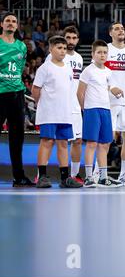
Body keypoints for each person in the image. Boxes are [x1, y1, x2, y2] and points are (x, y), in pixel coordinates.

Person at [31, 36, 83, 188]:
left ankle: (65, 178)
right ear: (50, 49)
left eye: (64, 48)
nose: (62, 51)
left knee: (63, 144)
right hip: (49, 112)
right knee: (47, 142)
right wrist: (42, 105)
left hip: (65, 112)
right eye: (59, 48)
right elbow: (35, 90)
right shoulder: (45, 68)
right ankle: (42, 176)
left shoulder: (68, 68)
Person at [77, 40, 122, 188]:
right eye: (99, 52)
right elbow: (80, 93)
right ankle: (89, 177)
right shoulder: (88, 71)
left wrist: (114, 90)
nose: (102, 55)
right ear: (93, 54)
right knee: (91, 144)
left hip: (106, 110)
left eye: (104, 52)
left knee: (104, 144)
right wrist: (86, 110)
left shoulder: (109, 71)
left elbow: (110, 87)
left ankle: (103, 177)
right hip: (92, 110)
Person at [45, 26, 84, 183]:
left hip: (74, 105)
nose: (71, 41)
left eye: (74, 38)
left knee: (78, 140)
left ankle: (74, 175)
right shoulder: (53, 57)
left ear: (78, 40)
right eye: (68, 37)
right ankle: (41, 174)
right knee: (50, 140)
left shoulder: (80, 58)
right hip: (57, 104)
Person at [0, 12, 35, 187]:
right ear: (2, 24)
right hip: (0, 93)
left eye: (14, 21)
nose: (11, 24)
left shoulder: (21, 46)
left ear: (17, 26)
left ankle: (19, 177)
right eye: (8, 21)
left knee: (17, 137)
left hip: (17, 94)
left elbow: (19, 70)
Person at [104, 22, 125, 185]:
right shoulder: (106, 49)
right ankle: (98, 173)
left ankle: (124, 174)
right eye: (117, 28)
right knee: (106, 139)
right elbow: (99, 73)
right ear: (110, 33)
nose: (121, 30)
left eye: (123, 28)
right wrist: (110, 88)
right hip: (108, 101)